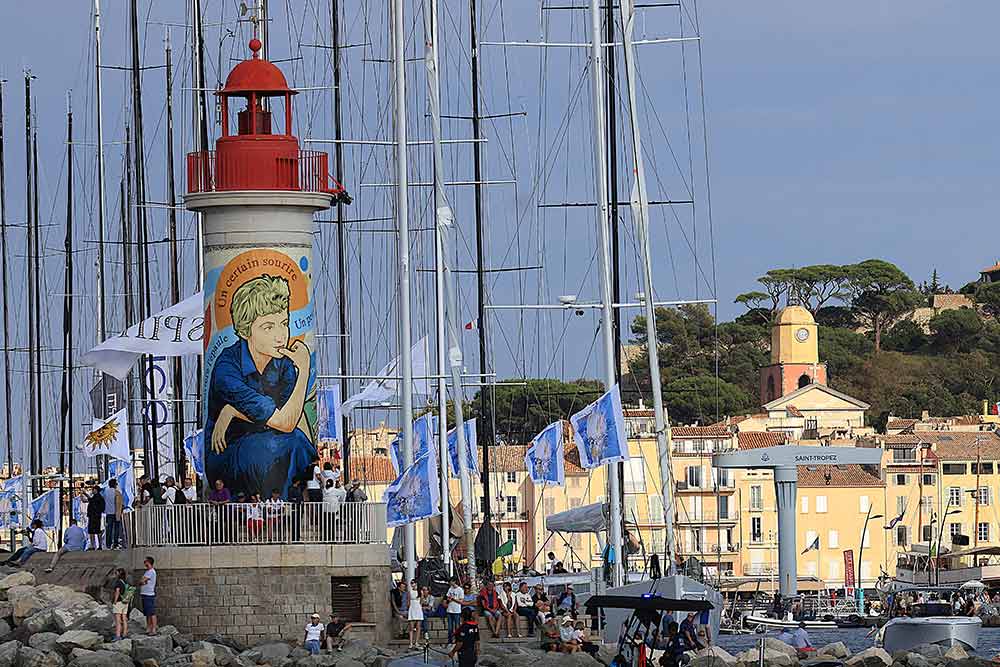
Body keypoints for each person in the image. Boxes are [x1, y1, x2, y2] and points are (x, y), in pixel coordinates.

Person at [206, 274, 318, 498]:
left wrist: (234, 411)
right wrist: (304, 370)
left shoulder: (283, 365)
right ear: (246, 331)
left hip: (271, 441)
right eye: (268, 327)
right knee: (280, 443)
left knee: (296, 441)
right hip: (228, 453)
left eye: (284, 324)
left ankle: (289, 503)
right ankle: (281, 505)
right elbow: (284, 422)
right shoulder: (227, 369)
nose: (280, 336)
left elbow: (289, 418)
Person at [111, 567, 134, 642]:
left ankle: (118, 636)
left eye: (117, 572)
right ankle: (124, 634)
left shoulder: (118, 582)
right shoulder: (125, 582)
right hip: (125, 602)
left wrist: (114, 601)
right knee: (124, 618)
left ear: (119, 574)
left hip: (118, 603)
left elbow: (117, 592)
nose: (115, 574)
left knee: (118, 620)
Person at [138, 556, 158, 635]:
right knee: (147, 613)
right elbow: (141, 581)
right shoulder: (147, 572)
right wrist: (142, 581)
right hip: (144, 594)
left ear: (149, 562)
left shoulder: (151, 571)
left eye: (145, 561)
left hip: (149, 594)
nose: (144, 563)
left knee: (151, 612)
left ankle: (153, 629)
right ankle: (148, 628)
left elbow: (142, 581)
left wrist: (143, 581)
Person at [104, 479, 124, 549]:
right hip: (116, 513)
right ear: (115, 485)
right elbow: (120, 504)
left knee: (109, 529)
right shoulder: (117, 493)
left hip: (108, 513)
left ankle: (108, 544)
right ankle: (115, 543)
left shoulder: (105, 492)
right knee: (116, 529)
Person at [85, 483, 105, 550]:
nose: (92, 491)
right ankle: (98, 545)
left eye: (93, 489)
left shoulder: (97, 498)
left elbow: (91, 501)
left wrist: (86, 495)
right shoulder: (99, 497)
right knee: (96, 531)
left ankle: (94, 545)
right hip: (97, 516)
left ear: (96, 490)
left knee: (92, 531)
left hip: (94, 516)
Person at [445, 577, 465, 643]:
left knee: (457, 626)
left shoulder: (460, 590)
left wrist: (453, 599)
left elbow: (461, 601)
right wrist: (449, 599)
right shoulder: (450, 589)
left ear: (454, 581)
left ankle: (458, 640)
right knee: (450, 627)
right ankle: (450, 640)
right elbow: (447, 597)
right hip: (449, 610)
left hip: (456, 610)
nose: (450, 583)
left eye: (451, 582)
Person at [407, 580, 424, 648]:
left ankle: (416, 642)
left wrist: (419, 606)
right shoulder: (409, 592)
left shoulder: (420, 592)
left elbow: (421, 601)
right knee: (411, 627)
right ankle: (411, 643)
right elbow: (408, 602)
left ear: (416, 584)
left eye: (413, 583)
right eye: (411, 583)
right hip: (412, 608)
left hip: (418, 608)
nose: (412, 584)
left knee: (418, 627)